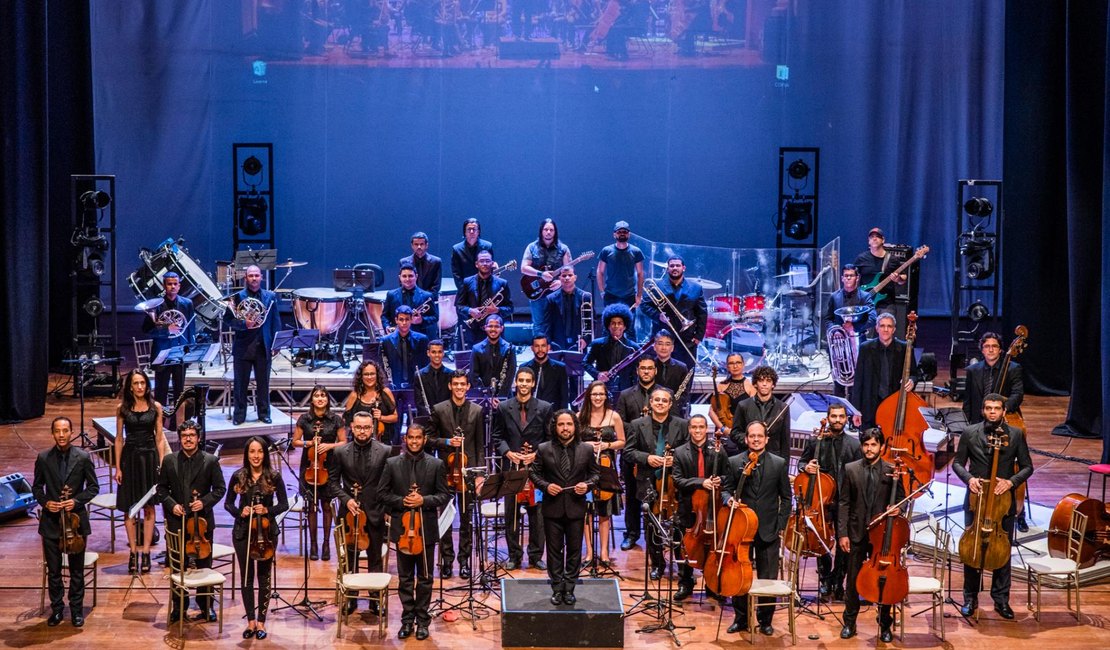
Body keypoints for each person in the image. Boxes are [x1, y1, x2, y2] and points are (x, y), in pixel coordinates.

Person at [953, 393, 1034, 621]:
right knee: (972, 549)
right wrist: (969, 478)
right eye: (988, 408)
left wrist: (1011, 482)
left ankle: (1001, 600)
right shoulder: (970, 433)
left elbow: (1027, 467)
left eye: (996, 408)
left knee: (1002, 552)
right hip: (975, 500)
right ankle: (970, 598)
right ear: (982, 411)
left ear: (1003, 411)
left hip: (1002, 502)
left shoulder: (1016, 434)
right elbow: (958, 463)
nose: (992, 412)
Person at [378, 423, 452, 641]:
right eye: (411, 437)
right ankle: (407, 620)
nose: (414, 441)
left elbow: (444, 495)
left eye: (418, 438)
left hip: (426, 530)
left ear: (424, 439)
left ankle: (422, 620)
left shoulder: (436, 464)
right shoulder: (392, 463)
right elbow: (382, 494)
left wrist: (424, 500)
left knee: (426, 578)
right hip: (403, 530)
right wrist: (403, 501)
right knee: (405, 578)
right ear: (405, 439)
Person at [722, 421, 791, 636]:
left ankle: (765, 620)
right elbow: (726, 489)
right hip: (741, 530)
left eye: (759, 436)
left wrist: (780, 524)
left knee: (767, 577)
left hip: (768, 530)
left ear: (766, 439)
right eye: (752, 436)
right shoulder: (734, 462)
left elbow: (786, 498)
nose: (755, 439)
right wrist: (728, 500)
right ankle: (741, 618)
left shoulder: (779, 463)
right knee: (739, 576)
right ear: (746, 439)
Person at [836, 427, 905, 641]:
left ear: (882, 447)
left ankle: (884, 624)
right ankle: (850, 623)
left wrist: (898, 509)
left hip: (882, 536)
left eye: (873, 444)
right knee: (853, 579)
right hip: (856, 533)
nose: (869, 448)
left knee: (884, 580)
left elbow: (902, 499)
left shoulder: (892, 470)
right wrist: (842, 534)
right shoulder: (850, 469)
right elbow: (844, 503)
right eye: (865, 444)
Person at [156, 419, 227, 623]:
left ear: (198, 438)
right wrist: (172, 505)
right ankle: (179, 608)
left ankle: (206, 606)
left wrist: (203, 503)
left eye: (192, 435)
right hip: (178, 523)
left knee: (205, 565)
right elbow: (161, 489)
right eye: (184, 436)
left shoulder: (210, 461)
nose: (188, 439)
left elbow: (220, 489)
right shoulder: (169, 461)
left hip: (201, 525)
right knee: (178, 567)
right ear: (180, 438)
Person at [33, 416, 99, 628]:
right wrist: (46, 503)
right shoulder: (43, 458)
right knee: (53, 571)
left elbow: (93, 487)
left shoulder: (82, 457)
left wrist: (75, 501)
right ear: (52, 434)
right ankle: (57, 610)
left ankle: (77, 610)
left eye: (65, 431)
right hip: (51, 523)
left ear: (72, 432)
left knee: (76, 570)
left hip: (75, 522)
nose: (61, 435)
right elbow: (36, 488)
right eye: (57, 431)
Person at [530, 410, 599, 606]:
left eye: (569, 424)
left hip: (576, 509)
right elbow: (534, 474)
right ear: (555, 427)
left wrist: (587, 485)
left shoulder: (586, 449)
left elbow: (595, 475)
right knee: (553, 551)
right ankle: (557, 587)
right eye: (561, 424)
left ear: (575, 426)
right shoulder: (543, 448)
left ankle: (570, 588)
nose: (565, 428)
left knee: (575, 550)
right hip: (552, 509)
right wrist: (546, 486)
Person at [328, 410, 393, 615]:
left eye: (366, 427)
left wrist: (386, 509)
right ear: (352, 428)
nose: (362, 431)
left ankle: (375, 600)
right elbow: (332, 482)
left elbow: (389, 483)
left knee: (375, 557)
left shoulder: (385, 451)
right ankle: (351, 599)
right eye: (358, 427)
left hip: (375, 512)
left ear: (372, 428)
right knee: (350, 557)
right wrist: (346, 500)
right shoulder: (340, 452)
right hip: (349, 515)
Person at [224, 436, 289, 640]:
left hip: (267, 533)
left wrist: (267, 510)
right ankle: (250, 621)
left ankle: (261, 621)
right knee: (246, 576)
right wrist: (239, 511)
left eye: (259, 451)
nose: (256, 456)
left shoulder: (273, 476)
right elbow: (228, 503)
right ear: (247, 454)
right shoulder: (238, 476)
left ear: (265, 453)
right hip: (243, 531)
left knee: (263, 576)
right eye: (252, 451)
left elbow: (284, 505)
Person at [963, 331, 1028, 530]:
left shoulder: (1013, 368)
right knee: (977, 466)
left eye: (995, 346)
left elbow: (1018, 393)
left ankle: (1019, 511)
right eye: (987, 346)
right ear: (981, 349)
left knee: (1011, 468)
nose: (991, 350)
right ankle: (974, 508)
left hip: (1005, 422)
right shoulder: (973, 370)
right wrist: (972, 425)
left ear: (1001, 349)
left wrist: (1001, 408)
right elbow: (969, 401)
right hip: (980, 427)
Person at [797, 403, 862, 601]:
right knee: (820, 541)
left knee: (844, 544)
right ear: (828, 417)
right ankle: (825, 579)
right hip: (821, 502)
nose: (837, 420)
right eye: (833, 416)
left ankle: (838, 579)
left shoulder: (854, 445)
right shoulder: (817, 441)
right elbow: (802, 462)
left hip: (844, 503)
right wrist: (805, 467)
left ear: (846, 419)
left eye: (841, 416)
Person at [624, 386, 689, 579]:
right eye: (656, 400)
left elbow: (688, 450)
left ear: (670, 404)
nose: (660, 403)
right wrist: (646, 458)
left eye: (664, 400)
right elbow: (628, 452)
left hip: (674, 484)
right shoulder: (636, 424)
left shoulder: (682, 424)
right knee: (651, 526)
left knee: (678, 525)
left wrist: (675, 459)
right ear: (650, 403)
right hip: (648, 482)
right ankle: (658, 564)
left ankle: (681, 564)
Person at [492, 367, 554, 570]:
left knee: (537, 514)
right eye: (521, 380)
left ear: (533, 383)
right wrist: (509, 453)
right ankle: (514, 556)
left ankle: (536, 556)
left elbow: (549, 439)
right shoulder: (503, 407)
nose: (524, 384)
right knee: (512, 514)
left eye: (528, 380)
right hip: (512, 468)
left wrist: (536, 454)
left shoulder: (545, 408)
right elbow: (497, 437)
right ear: (515, 383)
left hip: (536, 469)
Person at [428, 370, 485, 579]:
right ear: (450, 386)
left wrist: (479, 475)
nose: (459, 387)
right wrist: (445, 442)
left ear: (468, 387)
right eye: (456, 384)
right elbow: (429, 439)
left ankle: (464, 562)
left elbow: (480, 445)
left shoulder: (477, 411)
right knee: (445, 519)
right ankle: (446, 561)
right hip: (445, 472)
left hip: (467, 473)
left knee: (466, 519)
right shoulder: (439, 409)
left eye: (463, 384)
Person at [114, 368, 167, 575]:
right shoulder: (122, 408)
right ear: (130, 386)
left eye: (142, 383)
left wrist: (162, 465)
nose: (139, 387)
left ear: (147, 385)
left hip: (149, 458)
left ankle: (145, 551)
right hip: (130, 459)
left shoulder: (156, 407)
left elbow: (159, 437)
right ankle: (133, 551)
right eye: (135, 383)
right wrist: (117, 467)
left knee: (149, 507)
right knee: (129, 507)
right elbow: (119, 439)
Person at [670, 414, 728, 601]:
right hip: (689, 507)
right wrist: (701, 482)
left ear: (707, 429)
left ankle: (712, 584)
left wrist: (721, 480)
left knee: (712, 546)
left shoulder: (718, 450)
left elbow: (728, 475)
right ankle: (685, 583)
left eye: (701, 427)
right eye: (694, 427)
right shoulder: (680, 452)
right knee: (685, 546)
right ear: (689, 429)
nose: (697, 430)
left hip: (712, 507)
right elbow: (678, 480)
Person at [292, 385, 346, 561]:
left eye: (323, 395)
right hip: (309, 466)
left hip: (329, 466)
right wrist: (309, 443)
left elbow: (344, 442)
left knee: (326, 505)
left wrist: (329, 445)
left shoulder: (336, 419)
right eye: (317, 395)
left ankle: (325, 543)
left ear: (327, 399)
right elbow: (295, 442)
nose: (320, 398)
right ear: (312, 400)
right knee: (312, 507)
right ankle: (313, 543)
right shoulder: (304, 419)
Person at [577, 380, 626, 567]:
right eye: (594, 394)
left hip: (606, 465)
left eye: (601, 394)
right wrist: (586, 445)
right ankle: (589, 552)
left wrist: (607, 445)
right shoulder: (580, 416)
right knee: (586, 511)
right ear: (589, 396)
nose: (598, 397)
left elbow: (622, 441)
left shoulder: (614, 416)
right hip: (584, 467)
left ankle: (604, 552)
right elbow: (573, 443)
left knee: (604, 512)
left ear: (606, 396)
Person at [614, 355, 660, 550]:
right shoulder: (626, 395)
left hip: (656, 452)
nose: (646, 371)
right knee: (632, 495)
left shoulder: (664, 394)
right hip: (633, 452)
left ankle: (655, 536)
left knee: (656, 496)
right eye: (643, 368)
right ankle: (631, 534)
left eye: (650, 368)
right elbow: (619, 422)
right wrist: (639, 427)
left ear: (655, 371)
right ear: (637, 371)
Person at [229, 264, 279, 425]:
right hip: (243, 347)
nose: (254, 278)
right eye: (251, 275)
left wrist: (276, 343)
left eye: (257, 275)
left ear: (261, 277)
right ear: (246, 278)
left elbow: (275, 321)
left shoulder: (270, 296)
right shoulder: (238, 297)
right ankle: (239, 415)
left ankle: (264, 414)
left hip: (263, 346)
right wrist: (245, 324)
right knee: (240, 384)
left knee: (263, 384)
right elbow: (228, 320)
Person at [850, 312, 919, 429]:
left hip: (894, 406)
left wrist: (912, 381)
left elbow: (914, 374)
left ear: (894, 329)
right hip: (870, 408)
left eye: (889, 326)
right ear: (877, 328)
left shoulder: (905, 348)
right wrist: (856, 410)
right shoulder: (865, 348)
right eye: (882, 326)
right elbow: (858, 381)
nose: (885, 329)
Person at [140, 271, 196, 412]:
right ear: (164, 286)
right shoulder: (155, 305)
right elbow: (146, 330)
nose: (172, 287)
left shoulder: (187, 304)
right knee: (161, 392)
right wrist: (167, 330)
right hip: (162, 355)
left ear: (179, 286)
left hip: (180, 354)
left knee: (180, 392)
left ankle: (178, 421)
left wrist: (189, 351)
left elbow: (190, 328)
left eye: (175, 284)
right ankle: (159, 422)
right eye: (169, 284)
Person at [639, 255, 707, 368]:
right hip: (662, 336)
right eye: (672, 266)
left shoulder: (696, 288)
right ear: (667, 268)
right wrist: (657, 315)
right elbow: (644, 305)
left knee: (686, 373)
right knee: (660, 373)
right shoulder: (656, 285)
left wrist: (699, 336)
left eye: (678, 265)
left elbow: (702, 313)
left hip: (687, 338)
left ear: (683, 268)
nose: (675, 268)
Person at [823, 264, 877, 396]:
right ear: (842, 278)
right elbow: (827, 319)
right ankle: (838, 412)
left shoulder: (865, 297)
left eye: (851, 276)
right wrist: (835, 329)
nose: (848, 278)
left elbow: (873, 319)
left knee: (857, 382)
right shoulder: (834, 297)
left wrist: (855, 327)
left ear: (857, 278)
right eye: (846, 276)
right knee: (838, 382)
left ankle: (855, 414)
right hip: (839, 344)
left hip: (858, 343)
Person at [521, 218, 572, 335]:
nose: (548, 232)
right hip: (538, 293)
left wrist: (561, 282)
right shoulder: (532, 247)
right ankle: (540, 351)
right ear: (541, 231)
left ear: (555, 232)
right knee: (539, 324)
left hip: (557, 293)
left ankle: (556, 352)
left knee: (558, 323)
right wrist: (541, 274)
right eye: (546, 229)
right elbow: (524, 268)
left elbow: (569, 270)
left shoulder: (563, 249)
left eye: (551, 230)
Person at [729, 366, 790, 461]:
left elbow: (785, 441)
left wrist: (784, 467)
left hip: (774, 460)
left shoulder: (783, 407)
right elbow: (734, 433)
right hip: (749, 457)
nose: (764, 384)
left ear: (773, 384)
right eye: (761, 380)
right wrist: (752, 440)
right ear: (755, 384)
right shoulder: (743, 405)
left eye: (768, 381)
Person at [455, 250, 514, 346]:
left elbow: (510, 308)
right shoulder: (467, 282)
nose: (485, 264)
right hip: (473, 331)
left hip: (495, 331)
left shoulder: (502, 283)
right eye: (482, 261)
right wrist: (470, 311)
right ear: (476, 264)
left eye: (488, 261)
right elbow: (459, 306)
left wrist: (497, 310)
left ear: (492, 263)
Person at [584, 303, 640, 394]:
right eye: (613, 323)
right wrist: (597, 374)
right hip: (603, 389)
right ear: (608, 326)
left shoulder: (633, 347)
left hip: (626, 391)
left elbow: (636, 372)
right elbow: (585, 363)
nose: (616, 326)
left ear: (625, 326)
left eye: (620, 323)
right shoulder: (597, 344)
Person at [343, 360, 399, 443]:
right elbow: (346, 419)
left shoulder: (385, 392)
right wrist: (353, 425)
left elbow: (395, 417)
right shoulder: (355, 395)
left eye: (372, 374)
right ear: (361, 377)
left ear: (377, 375)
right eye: (366, 374)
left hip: (383, 441)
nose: (369, 377)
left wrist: (381, 417)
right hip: (360, 441)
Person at [852, 227, 905, 315]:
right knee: (867, 329)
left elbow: (903, 278)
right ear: (868, 241)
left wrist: (898, 279)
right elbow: (853, 277)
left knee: (886, 328)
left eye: (877, 236)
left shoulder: (892, 259)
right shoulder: (861, 258)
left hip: (886, 304)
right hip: (866, 303)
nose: (874, 238)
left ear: (883, 240)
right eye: (872, 237)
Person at [596, 220, 645, 314]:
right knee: (609, 324)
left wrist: (639, 295)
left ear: (629, 234)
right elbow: (600, 271)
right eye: (619, 232)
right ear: (614, 234)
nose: (622, 234)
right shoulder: (606, 251)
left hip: (629, 296)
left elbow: (640, 274)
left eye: (625, 232)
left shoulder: (636, 251)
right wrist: (602, 291)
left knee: (629, 326)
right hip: (611, 295)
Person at [539, 268, 591, 351]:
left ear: (575, 277)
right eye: (564, 275)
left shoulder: (585, 297)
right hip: (557, 345)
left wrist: (586, 339)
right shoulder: (550, 299)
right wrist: (548, 343)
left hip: (579, 344)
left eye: (570, 275)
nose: (567, 278)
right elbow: (546, 324)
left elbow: (590, 322)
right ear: (559, 278)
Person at [384, 263, 439, 341]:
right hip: (396, 338)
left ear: (416, 276)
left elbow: (435, 317)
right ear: (400, 278)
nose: (407, 279)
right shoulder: (391, 295)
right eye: (404, 276)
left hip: (419, 339)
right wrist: (387, 327)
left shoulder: (426, 296)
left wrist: (421, 320)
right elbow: (385, 316)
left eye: (410, 276)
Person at [380, 306, 431, 389]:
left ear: (411, 320)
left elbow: (426, 364)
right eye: (401, 319)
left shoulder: (422, 339)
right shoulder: (386, 341)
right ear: (396, 320)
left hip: (417, 385)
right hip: (394, 386)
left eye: (407, 319)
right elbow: (382, 366)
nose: (404, 322)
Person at [468, 313, 517, 399]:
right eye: (490, 326)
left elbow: (510, 375)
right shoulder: (476, 349)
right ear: (485, 327)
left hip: (504, 397)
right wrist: (486, 395)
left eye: (496, 326)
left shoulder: (510, 349)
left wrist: (500, 397)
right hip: (483, 396)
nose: (493, 329)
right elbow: (474, 375)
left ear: (502, 328)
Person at [707, 353, 755, 433]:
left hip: (743, 431)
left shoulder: (751, 386)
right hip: (723, 430)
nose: (735, 366)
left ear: (743, 364)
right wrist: (723, 428)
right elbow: (711, 412)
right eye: (731, 363)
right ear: (727, 366)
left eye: (738, 363)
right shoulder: (721, 386)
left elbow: (752, 413)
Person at [520, 334, 569, 409]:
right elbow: (520, 395)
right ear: (532, 348)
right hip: (530, 414)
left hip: (553, 414)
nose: (540, 349)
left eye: (543, 346)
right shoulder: (524, 368)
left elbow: (564, 396)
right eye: (537, 346)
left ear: (548, 347)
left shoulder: (560, 368)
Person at [652, 330, 691, 414]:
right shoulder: (648, 366)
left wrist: (669, 408)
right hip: (651, 410)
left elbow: (683, 394)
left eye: (667, 344)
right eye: (660, 344)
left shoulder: (682, 368)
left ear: (672, 348)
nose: (664, 348)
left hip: (673, 412)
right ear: (654, 346)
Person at [450, 217, 494, 290]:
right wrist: (464, 291)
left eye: (474, 229)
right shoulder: (456, 249)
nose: (471, 232)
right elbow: (456, 273)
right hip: (464, 290)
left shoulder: (488, 246)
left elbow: (490, 269)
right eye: (469, 229)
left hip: (484, 289)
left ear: (478, 232)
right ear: (464, 232)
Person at [413, 339, 452, 416]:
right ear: (428, 353)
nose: (437, 355)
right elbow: (419, 402)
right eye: (433, 352)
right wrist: (431, 417)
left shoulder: (451, 374)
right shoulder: (419, 375)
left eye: (439, 352)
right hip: (427, 419)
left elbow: (452, 399)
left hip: (446, 417)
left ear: (443, 353)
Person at [400, 231, 443, 296]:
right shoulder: (403, 262)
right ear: (412, 246)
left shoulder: (436, 261)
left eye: (421, 244)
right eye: (416, 244)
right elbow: (403, 283)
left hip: (429, 299)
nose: (419, 247)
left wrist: (423, 298)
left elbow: (436, 286)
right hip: (410, 299)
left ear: (426, 245)